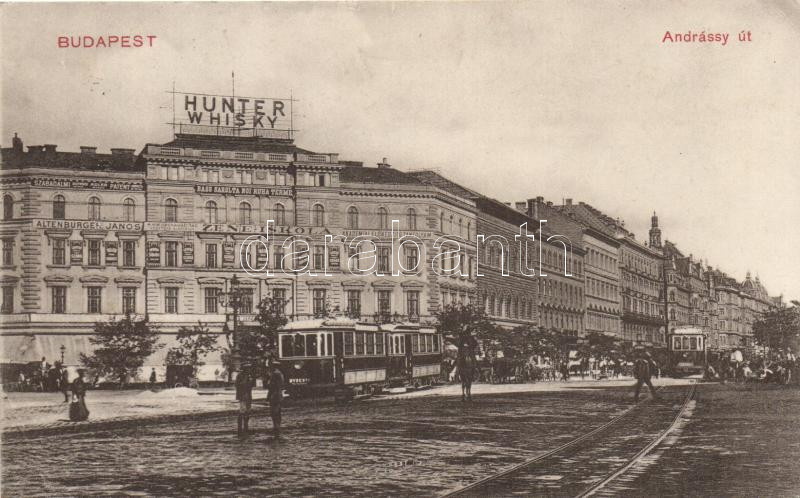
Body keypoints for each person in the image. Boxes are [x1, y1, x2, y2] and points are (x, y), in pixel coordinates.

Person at [235, 366, 255, 436]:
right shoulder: (240, 376)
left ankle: (246, 428)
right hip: (242, 396)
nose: (249, 369)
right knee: (242, 411)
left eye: (249, 368)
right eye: (247, 368)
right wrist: (246, 380)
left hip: (248, 396)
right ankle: (240, 429)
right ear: (244, 369)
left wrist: (251, 381)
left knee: (248, 412)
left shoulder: (249, 375)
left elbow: (251, 385)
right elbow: (238, 385)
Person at [267, 361, 285, 438]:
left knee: (274, 412)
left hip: (274, 395)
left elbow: (271, 385)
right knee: (278, 411)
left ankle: (276, 427)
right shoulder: (280, 373)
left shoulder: (275, 374)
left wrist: (269, 395)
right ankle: (277, 426)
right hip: (279, 394)